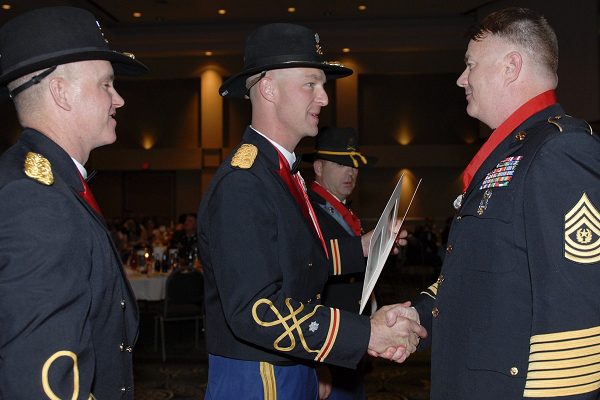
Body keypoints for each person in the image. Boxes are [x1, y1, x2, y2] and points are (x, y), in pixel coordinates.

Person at [197, 23, 426, 399]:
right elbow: (257, 310)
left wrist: (363, 248)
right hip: (261, 377)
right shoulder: (244, 183)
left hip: (293, 361)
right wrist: (365, 332)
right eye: (310, 84)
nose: (323, 98)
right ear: (268, 88)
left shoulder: (281, 173)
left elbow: (298, 262)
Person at [386, 7, 600, 399]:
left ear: (510, 67)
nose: (461, 79)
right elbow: (483, 272)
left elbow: (577, 315)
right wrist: (419, 315)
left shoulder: (560, 151)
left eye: (470, 65)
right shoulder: (510, 157)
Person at [0, 7, 147, 399]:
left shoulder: (55, 183)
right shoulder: (35, 200)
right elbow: (41, 379)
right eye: (106, 84)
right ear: (61, 92)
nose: (119, 100)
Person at [305, 126, 378, 399]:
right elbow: (304, 281)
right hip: (327, 344)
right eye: (340, 164)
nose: (350, 172)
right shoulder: (307, 210)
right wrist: (316, 361)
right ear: (319, 168)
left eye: (355, 165)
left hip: (349, 339)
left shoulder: (339, 209)